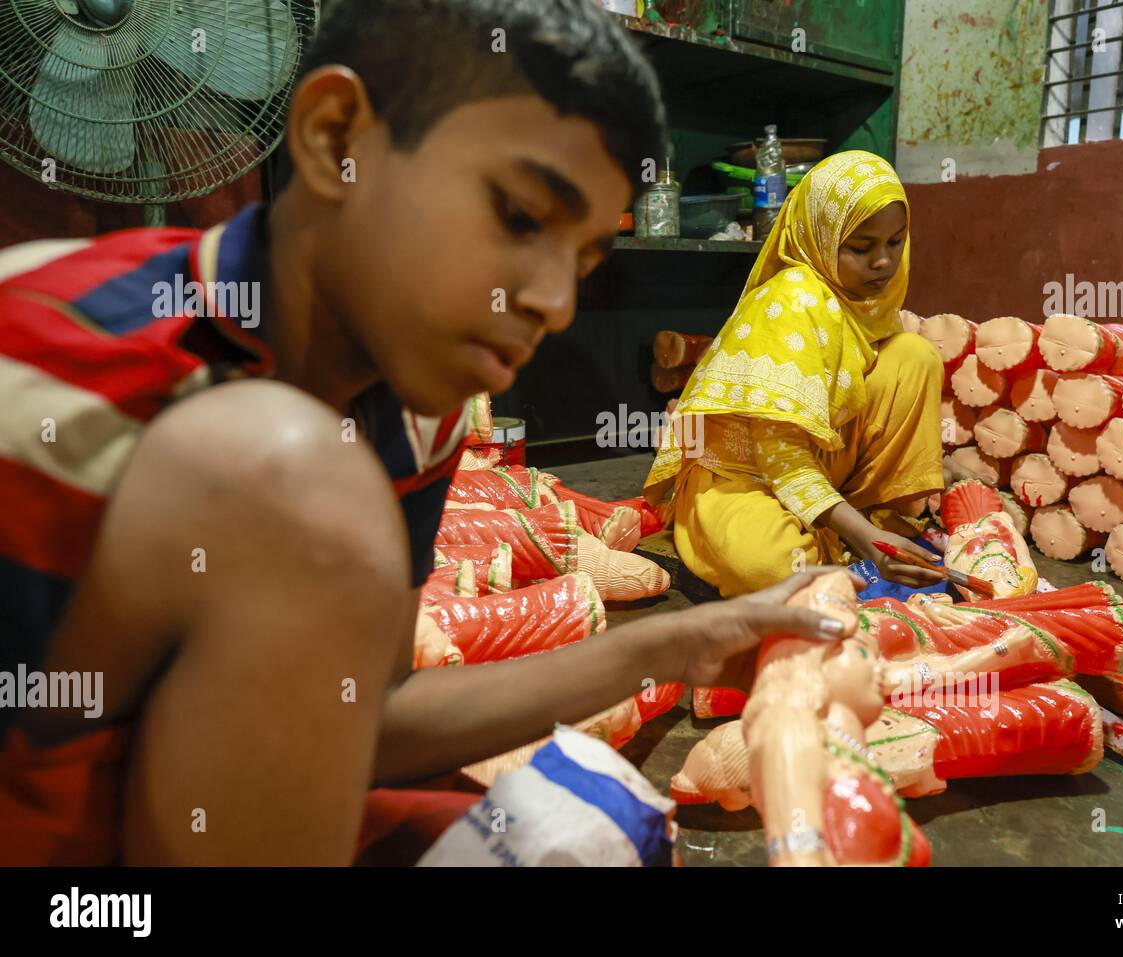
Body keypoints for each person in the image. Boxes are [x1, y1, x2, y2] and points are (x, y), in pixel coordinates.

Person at [0, 0, 858, 866]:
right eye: (521, 216)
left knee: (597, 837)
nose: (556, 303)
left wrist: (675, 644)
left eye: (587, 261)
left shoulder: (419, 405)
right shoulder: (38, 358)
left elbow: (361, 714)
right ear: (338, 138)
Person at [644, 151, 948, 598]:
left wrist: (871, 532)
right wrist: (868, 542)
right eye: (861, 248)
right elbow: (780, 457)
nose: (883, 262)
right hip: (739, 475)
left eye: (895, 242)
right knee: (768, 567)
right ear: (819, 237)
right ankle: (849, 538)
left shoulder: (863, 299)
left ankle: (863, 522)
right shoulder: (793, 301)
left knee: (913, 355)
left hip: (814, 461)